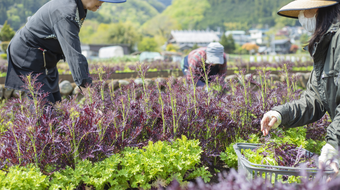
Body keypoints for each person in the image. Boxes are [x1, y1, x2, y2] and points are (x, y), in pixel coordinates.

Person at [261, 0, 340, 178]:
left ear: (321, 9)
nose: (301, 17)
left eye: (305, 11)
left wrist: (333, 144)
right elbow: (315, 100)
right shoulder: (326, 44)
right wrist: (280, 114)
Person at [5, 0, 126, 104]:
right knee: (45, 106)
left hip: (46, 57)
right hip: (27, 56)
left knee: (56, 102)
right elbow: (73, 54)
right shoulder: (65, 13)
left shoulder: (78, 7)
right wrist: (88, 92)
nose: (102, 2)